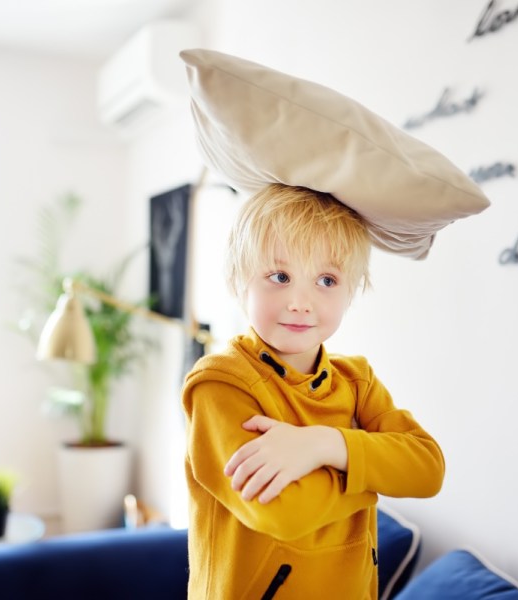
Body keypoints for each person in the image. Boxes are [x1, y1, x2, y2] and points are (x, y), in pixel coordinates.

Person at [181, 183, 445, 599]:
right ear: (238, 281)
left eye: (326, 279)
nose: (300, 302)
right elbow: (284, 510)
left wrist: (325, 445)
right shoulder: (220, 383)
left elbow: (428, 470)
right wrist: (372, 471)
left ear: (351, 290)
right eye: (280, 276)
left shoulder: (356, 381)